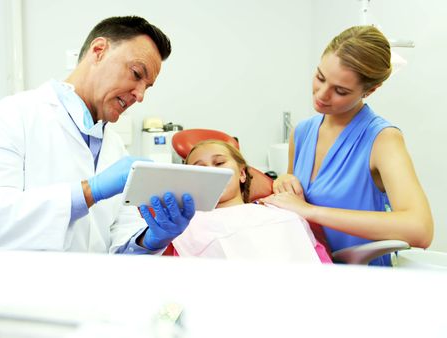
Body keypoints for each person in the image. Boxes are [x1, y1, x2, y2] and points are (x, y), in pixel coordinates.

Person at [0, 16, 195, 254]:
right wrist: (88, 192)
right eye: (136, 74)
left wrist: (149, 240)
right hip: (8, 287)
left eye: (147, 86)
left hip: (85, 287)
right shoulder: (12, 116)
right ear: (99, 51)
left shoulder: (114, 146)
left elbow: (118, 239)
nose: (140, 95)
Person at [263, 25, 433, 266]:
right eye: (320, 77)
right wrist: (283, 182)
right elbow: (296, 205)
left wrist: (311, 211)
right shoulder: (301, 132)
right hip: (308, 272)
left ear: (370, 90)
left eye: (340, 91)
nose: (322, 94)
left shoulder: (383, 139)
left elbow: (420, 229)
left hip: (360, 280)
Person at [171, 140, 332, 264]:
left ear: (242, 174)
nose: (212, 171)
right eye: (201, 168)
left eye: (219, 163)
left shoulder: (277, 209)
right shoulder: (185, 226)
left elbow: (319, 261)